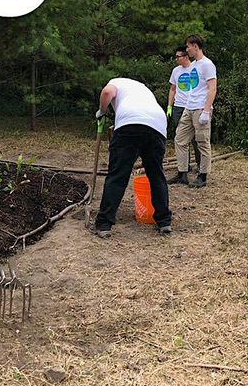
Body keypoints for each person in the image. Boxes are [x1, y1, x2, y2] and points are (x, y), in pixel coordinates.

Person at [93, 77, 173, 238]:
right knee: (156, 174)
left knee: (118, 175)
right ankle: (164, 221)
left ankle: (104, 223)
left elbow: (107, 92)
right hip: (157, 125)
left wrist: (102, 111)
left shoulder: (115, 82)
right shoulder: (142, 89)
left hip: (130, 125)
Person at [177, 34, 217, 188]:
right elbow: (193, 88)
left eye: (188, 46)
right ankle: (182, 173)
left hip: (201, 108)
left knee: (202, 142)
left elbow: (212, 88)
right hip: (190, 107)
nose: (187, 50)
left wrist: (206, 111)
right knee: (180, 139)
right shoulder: (193, 65)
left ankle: (203, 175)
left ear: (195, 46)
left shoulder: (207, 65)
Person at [165, 46, 200, 186]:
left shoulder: (195, 69)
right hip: (179, 107)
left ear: (186, 56)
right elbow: (172, 89)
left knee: (196, 139)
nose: (176, 59)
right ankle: (184, 168)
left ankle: (199, 164)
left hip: (192, 106)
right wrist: (169, 106)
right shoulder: (176, 71)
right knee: (180, 138)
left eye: (178, 56)